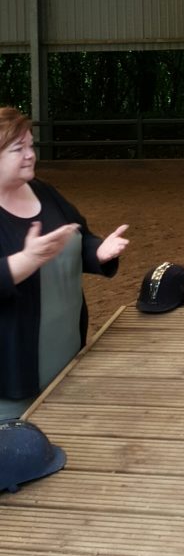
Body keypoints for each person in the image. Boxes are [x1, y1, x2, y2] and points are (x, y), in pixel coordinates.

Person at [0, 107, 129, 421]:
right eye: (18, 149)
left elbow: (78, 237)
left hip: (66, 356)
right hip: (14, 379)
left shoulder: (44, 192)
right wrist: (27, 260)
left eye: (31, 145)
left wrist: (98, 252)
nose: (30, 155)